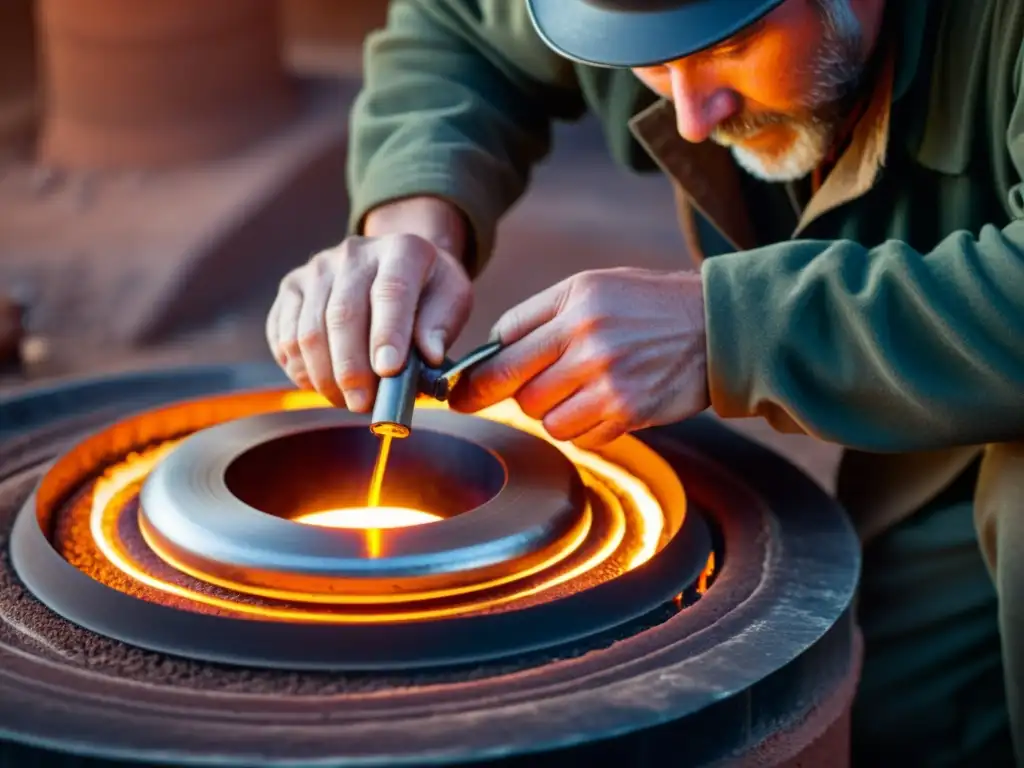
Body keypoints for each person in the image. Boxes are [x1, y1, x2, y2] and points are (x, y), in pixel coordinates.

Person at [266, 0, 1024, 763]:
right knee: (901, 718)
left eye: (734, 45)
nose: (692, 117)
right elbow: (458, 27)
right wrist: (412, 224)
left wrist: (722, 329)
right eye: (650, 61)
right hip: (926, 438)